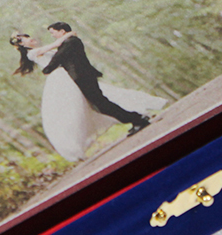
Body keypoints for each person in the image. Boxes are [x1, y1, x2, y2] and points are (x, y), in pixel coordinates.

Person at [11, 26, 165, 162]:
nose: (31, 39)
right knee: (84, 107)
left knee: (102, 99)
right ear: (22, 44)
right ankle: (134, 118)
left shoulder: (42, 50)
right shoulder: (32, 53)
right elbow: (56, 45)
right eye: (26, 39)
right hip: (61, 80)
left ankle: (136, 117)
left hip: (69, 76)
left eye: (28, 36)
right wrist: (68, 34)